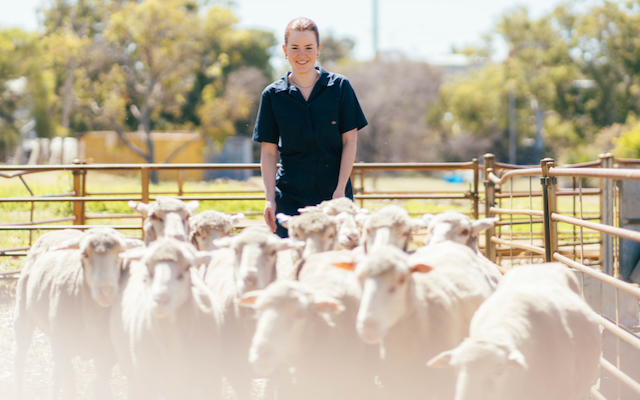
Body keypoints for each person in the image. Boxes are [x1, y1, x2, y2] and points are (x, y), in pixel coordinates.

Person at [253, 17, 368, 238]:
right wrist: (269, 198)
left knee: (335, 262)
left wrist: (340, 191)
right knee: (290, 264)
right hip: (289, 196)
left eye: (308, 47)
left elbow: (350, 141)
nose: (302, 54)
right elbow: (268, 152)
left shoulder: (340, 87)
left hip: (334, 195)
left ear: (318, 50)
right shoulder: (272, 95)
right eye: (295, 48)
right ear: (285, 50)